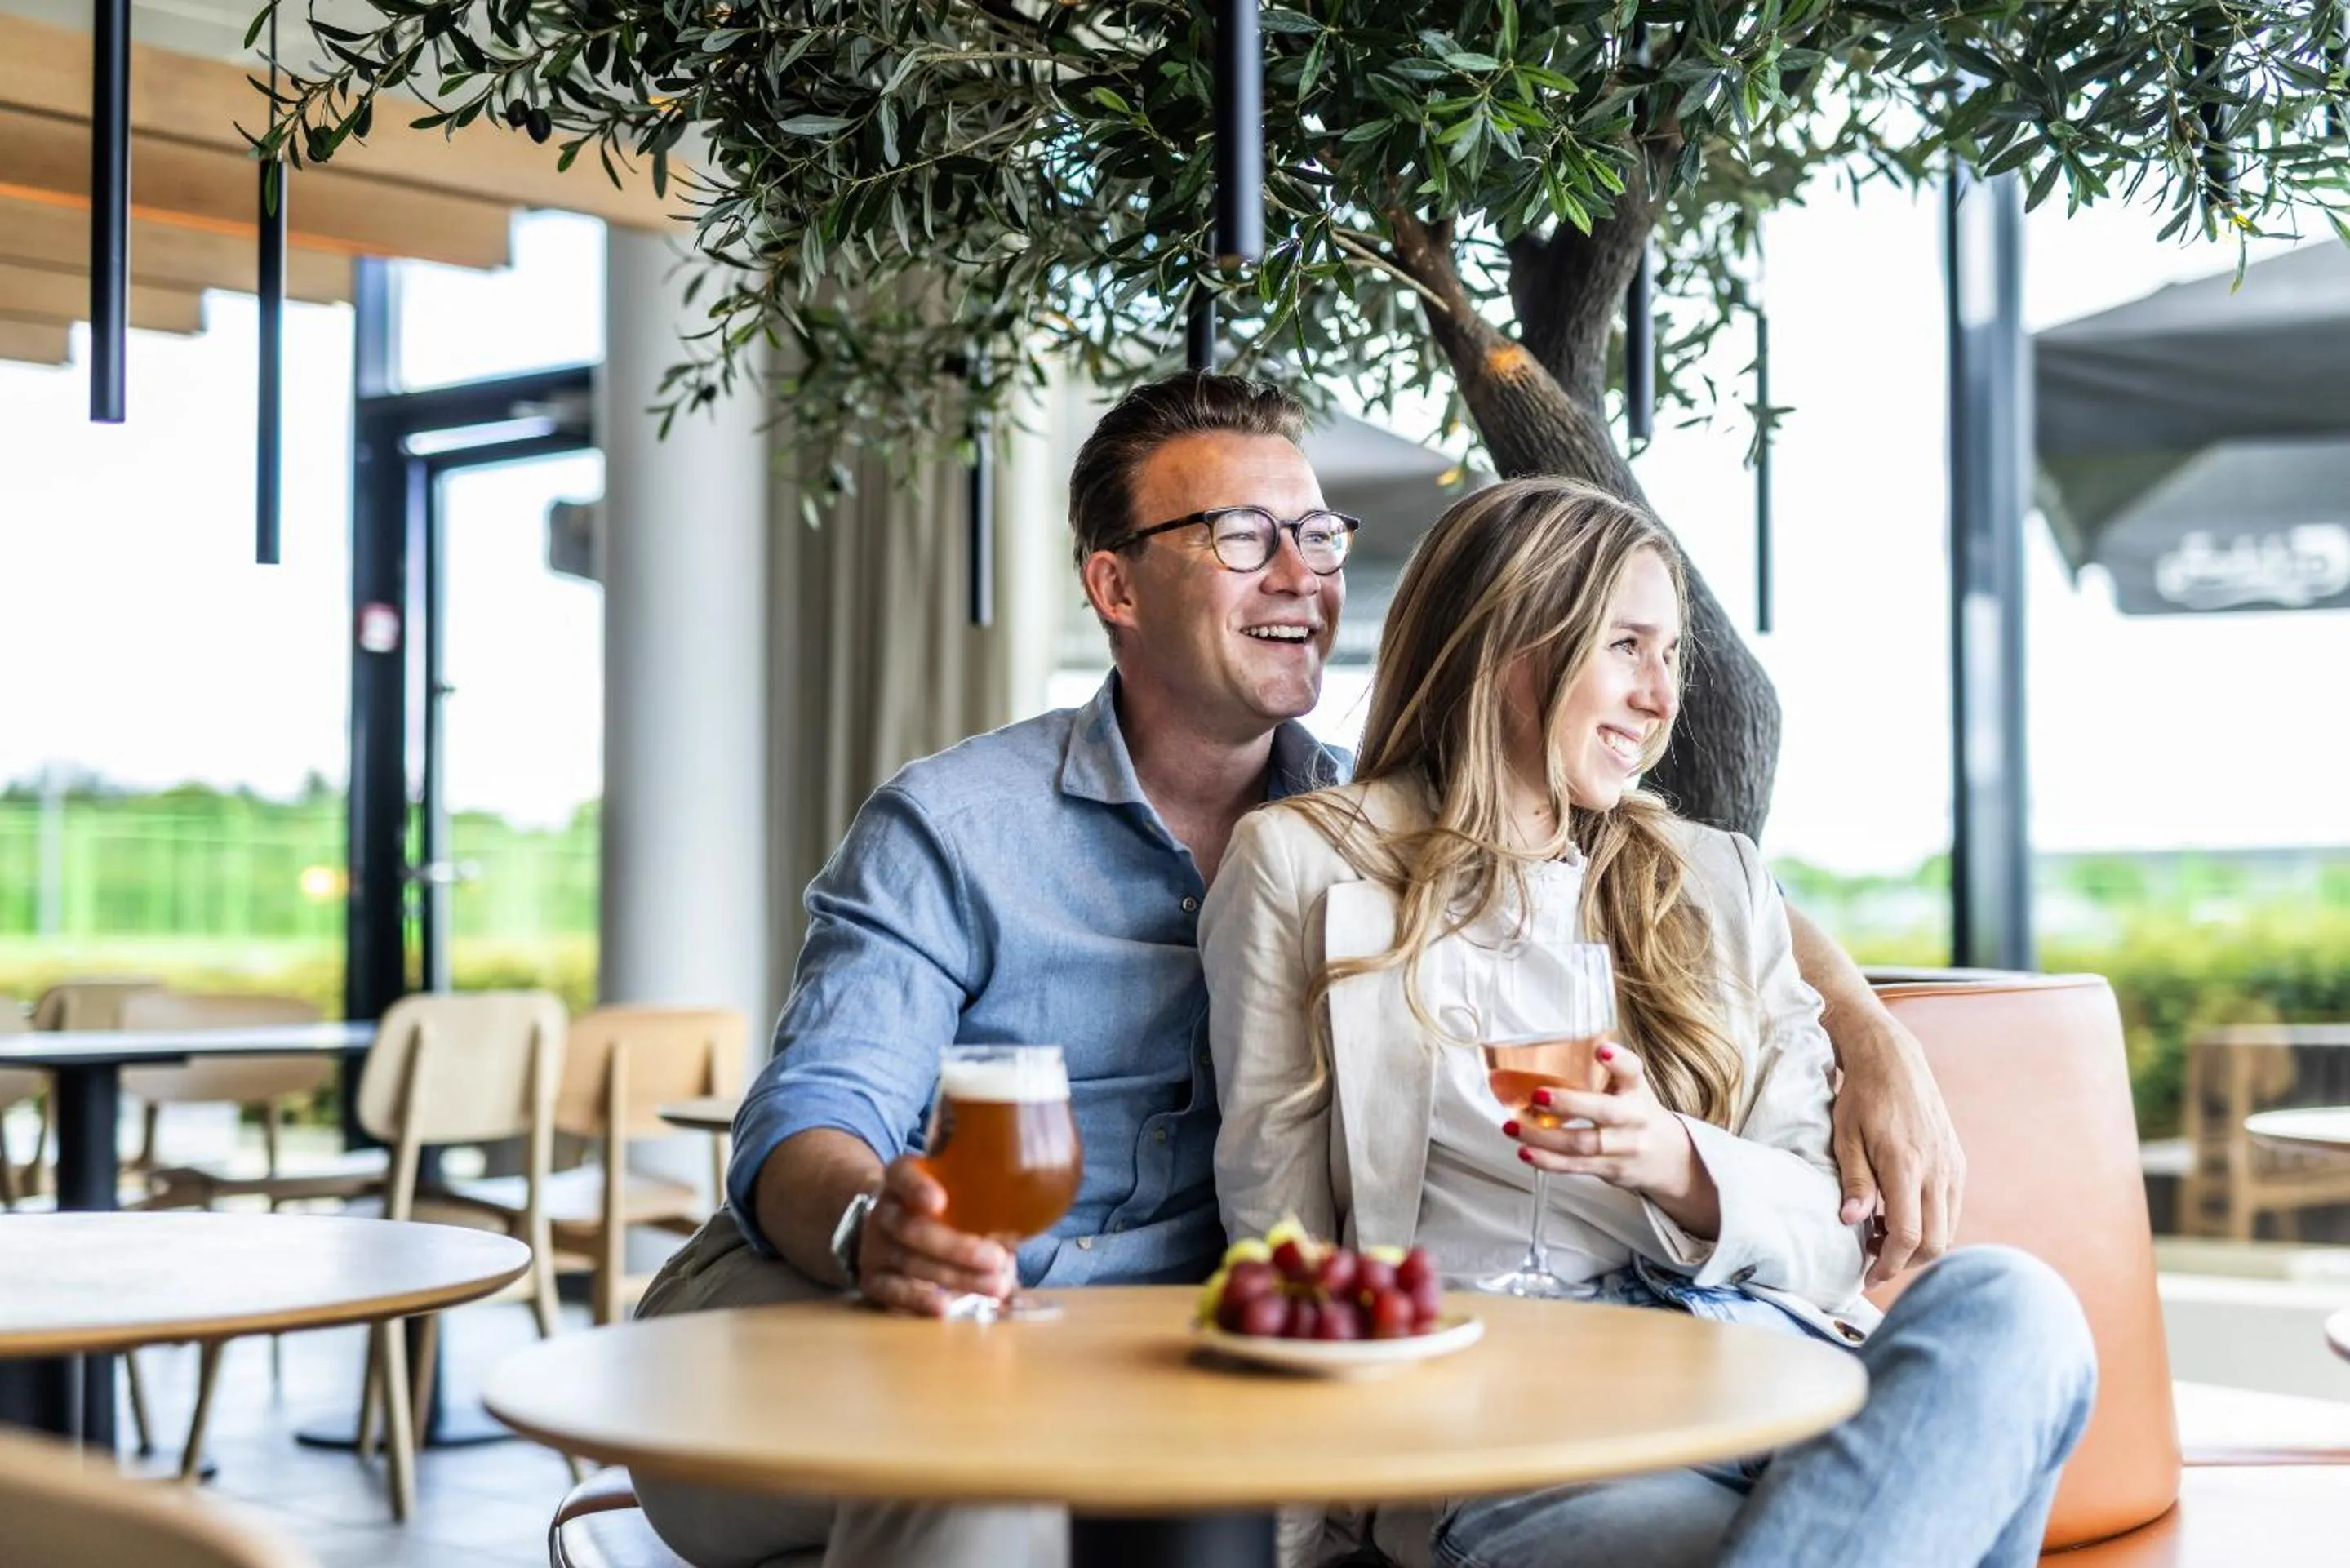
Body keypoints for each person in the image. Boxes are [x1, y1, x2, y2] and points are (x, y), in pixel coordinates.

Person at [633, 375, 1965, 1568]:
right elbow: (811, 1115)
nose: (1300, 576)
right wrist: (882, 1232)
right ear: (1114, 587)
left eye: (1320, 537)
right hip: (870, 1313)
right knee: (989, 1480)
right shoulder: (960, 827)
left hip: (1160, 1362)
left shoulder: (1361, 837)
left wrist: (1864, 1022)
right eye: (1241, 537)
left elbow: (1643, 868)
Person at [1202, 476, 2097, 1568]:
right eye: (1627, 647)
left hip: (1767, 1379)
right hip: (1533, 1442)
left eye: (1670, 656)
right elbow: (1278, 1237)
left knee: (2012, 1305)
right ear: (1509, 639)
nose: (1659, 697)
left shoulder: (1715, 882)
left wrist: (1675, 1162)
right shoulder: (1304, 866)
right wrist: (1307, 1541)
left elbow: (1828, 1241)